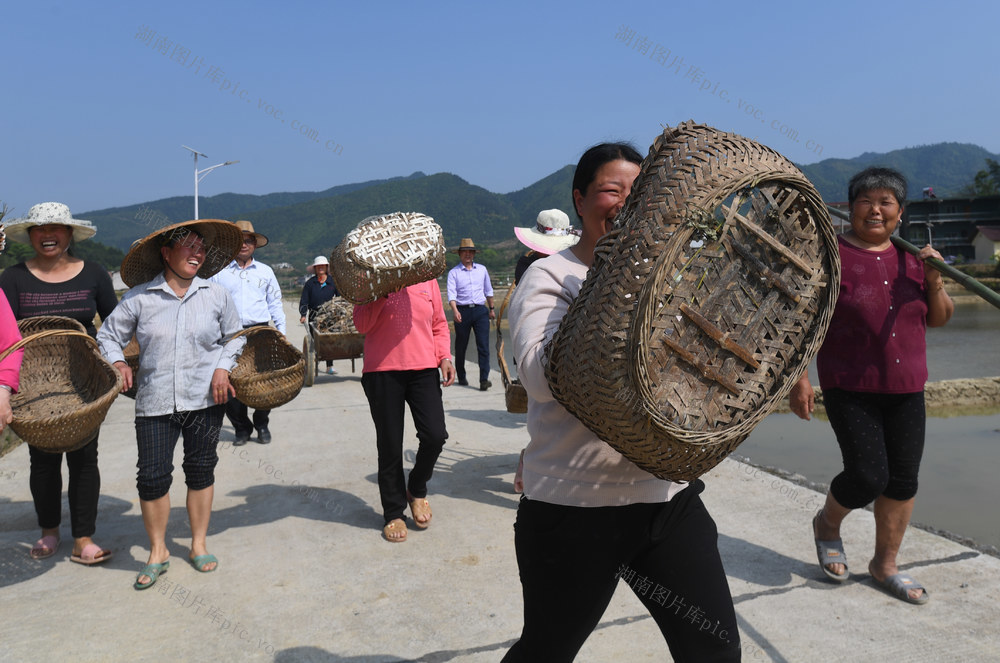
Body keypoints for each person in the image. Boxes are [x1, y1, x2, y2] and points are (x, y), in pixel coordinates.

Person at [503, 143, 741, 661]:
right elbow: (542, 378)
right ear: (580, 200)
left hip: (664, 501)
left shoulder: (671, 282)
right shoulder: (549, 278)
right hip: (573, 508)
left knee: (714, 652)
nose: (625, 202)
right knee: (548, 649)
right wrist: (609, 288)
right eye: (612, 190)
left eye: (639, 194)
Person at [790, 166, 954, 605]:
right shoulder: (831, 256)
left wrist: (935, 279)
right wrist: (800, 379)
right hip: (850, 385)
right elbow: (804, 324)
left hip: (907, 387)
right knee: (868, 474)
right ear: (851, 208)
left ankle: (885, 565)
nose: (876, 209)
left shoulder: (914, 260)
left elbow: (938, 318)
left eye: (886, 202)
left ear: (901, 212)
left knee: (902, 480)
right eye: (866, 200)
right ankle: (827, 523)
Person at [97, 220, 245, 590]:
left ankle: (198, 544)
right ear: (166, 253)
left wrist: (223, 368)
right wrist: (117, 361)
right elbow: (107, 336)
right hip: (155, 400)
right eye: (189, 246)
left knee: (200, 470)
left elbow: (235, 339)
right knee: (151, 477)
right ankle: (158, 550)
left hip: (204, 399)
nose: (197, 253)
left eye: (202, 248)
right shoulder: (140, 298)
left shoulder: (216, 294)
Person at [0, 202, 117, 565]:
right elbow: (5, 336)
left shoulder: (94, 273)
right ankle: (49, 532)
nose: (47, 236)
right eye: (39, 230)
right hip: (33, 386)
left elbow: (115, 324)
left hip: (85, 381)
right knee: (43, 460)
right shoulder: (12, 278)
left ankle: (83, 538)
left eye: (56, 229)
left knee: (85, 458)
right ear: (30, 236)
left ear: (69, 234)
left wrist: (117, 362)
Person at [353, 279, 455, 543]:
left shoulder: (427, 278)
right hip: (382, 371)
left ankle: (416, 489)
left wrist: (444, 356)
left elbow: (439, 323)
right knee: (390, 444)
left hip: (423, 369)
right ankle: (393, 512)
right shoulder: (371, 279)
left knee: (435, 435)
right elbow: (361, 324)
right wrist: (382, 292)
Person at [509, 208, 580, 493]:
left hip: (568, 345)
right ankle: (530, 460)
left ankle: (534, 459)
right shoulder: (527, 268)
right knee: (541, 406)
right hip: (536, 343)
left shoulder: (571, 264)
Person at [210, 220, 286, 445]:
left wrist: (281, 333)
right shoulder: (219, 272)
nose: (244, 244)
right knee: (230, 382)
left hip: (260, 332)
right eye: (240, 240)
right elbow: (210, 304)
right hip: (229, 333)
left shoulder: (265, 271)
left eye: (249, 240)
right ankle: (242, 428)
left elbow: (275, 303)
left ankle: (262, 423)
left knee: (265, 381)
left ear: (255, 244)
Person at [446, 238, 495, 390]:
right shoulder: (454, 273)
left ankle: (483, 379)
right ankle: (461, 375)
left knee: (483, 346)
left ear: (474, 254)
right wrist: (455, 311)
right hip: (462, 310)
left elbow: (488, 290)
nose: (467, 255)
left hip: (480, 310)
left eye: (470, 252)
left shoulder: (482, 270)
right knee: (461, 346)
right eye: (464, 252)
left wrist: (492, 308)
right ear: (460, 254)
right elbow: (451, 294)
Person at [298, 255, 339, 374]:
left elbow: (339, 298)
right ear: (315, 269)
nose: (320, 268)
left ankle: (329, 366)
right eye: (318, 266)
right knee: (315, 340)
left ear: (326, 267)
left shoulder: (332, 282)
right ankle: (313, 361)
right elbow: (304, 300)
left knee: (329, 339)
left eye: (323, 266)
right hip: (314, 316)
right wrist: (303, 314)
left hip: (330, 315)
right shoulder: (310, 284)